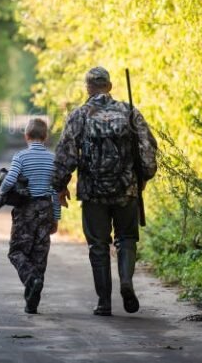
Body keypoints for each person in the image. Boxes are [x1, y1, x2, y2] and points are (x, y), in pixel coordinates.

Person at [53, 66, 157, 316]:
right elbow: (148, 148)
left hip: (93, 192)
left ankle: (104, 303)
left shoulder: (80, 115)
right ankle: (126, 282)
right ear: (109, 86)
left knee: (98, 245)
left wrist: (60, 185)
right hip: (126, 189)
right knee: (127, 238)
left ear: (88, 88)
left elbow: (66, 153)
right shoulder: (129, 112)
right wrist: (143, 176)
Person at [0, 118, 61, 314]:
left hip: (26, 210)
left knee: (17, 251)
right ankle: (31, 303)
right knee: (39, 256)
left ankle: (31, 280)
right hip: (46, 209)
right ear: (46, 137)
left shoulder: (21, 157)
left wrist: (2, 190)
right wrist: (56, 217)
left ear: (26, 136)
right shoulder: (53, 159)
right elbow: (56, 191)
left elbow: (9, 181)